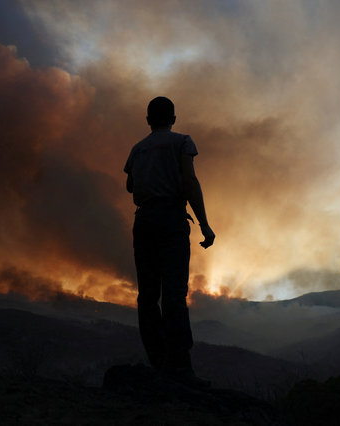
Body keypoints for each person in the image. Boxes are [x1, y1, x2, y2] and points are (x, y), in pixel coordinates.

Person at [124, 96, 215, 386]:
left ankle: (158, 363)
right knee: (174, 293)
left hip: (144, 221)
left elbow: (130, 185)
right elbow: (189, 182)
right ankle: (180, 368)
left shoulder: (138, 149)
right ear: (173, 118)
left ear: (148, 120)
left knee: (148, 296)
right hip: (172, 220)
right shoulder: (182, 142)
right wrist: (204, 224)